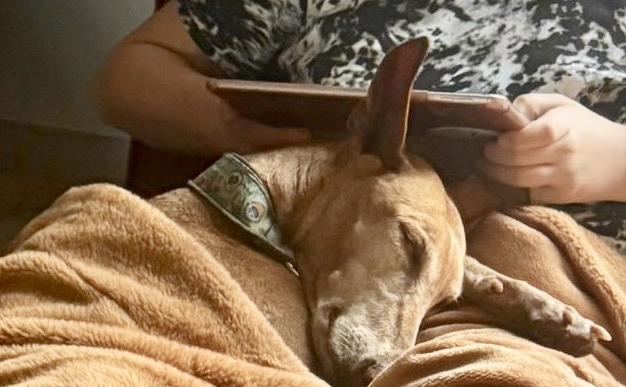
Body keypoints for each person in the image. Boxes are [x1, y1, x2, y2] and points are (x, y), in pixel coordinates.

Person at [94, 0, 626, 250]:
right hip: (296, 250)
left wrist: (618, 162)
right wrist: (230, 127)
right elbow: (128, 76)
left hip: (547, 298)